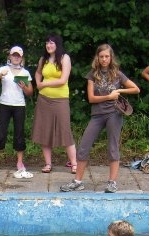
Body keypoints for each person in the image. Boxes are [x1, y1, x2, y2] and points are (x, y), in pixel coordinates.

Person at [60, 44, 140, 193]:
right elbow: (91, 98)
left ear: (111, 58)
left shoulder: (117, 74)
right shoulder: (92, 74)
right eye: (101, 56)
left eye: (107, 56)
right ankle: (77, 181)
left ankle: (112, 182)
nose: (104, 59)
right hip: (97, 115)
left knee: (113, 147)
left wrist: (119, 90)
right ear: (97, 57)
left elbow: (136, 89)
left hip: (114, 114)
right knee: (84, 146)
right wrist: (109, 96)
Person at [31, 34, 77, 174]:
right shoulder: (43, 59)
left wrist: (44, 84)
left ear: (57, 44)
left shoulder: (64, 58)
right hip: (44, 99)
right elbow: (38, 73)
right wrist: (38, 83)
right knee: (44, 131)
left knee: (65, 130)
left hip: (60, 99)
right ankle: (48, 164)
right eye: (47, 43)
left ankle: (74, 163)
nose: (49, 45)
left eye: (51, 43)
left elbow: (63, 80)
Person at [0, 45, 34, 178]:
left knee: (19, 133)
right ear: (10, 56)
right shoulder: (3, 69)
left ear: (21, 57)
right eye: (14, 55)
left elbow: (30, 93)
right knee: (0, 132)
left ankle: (19, 162)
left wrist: (24, 87)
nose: (16, 57)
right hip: (4, 103)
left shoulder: (25, 72)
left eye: (18, 56)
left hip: (19, 105)